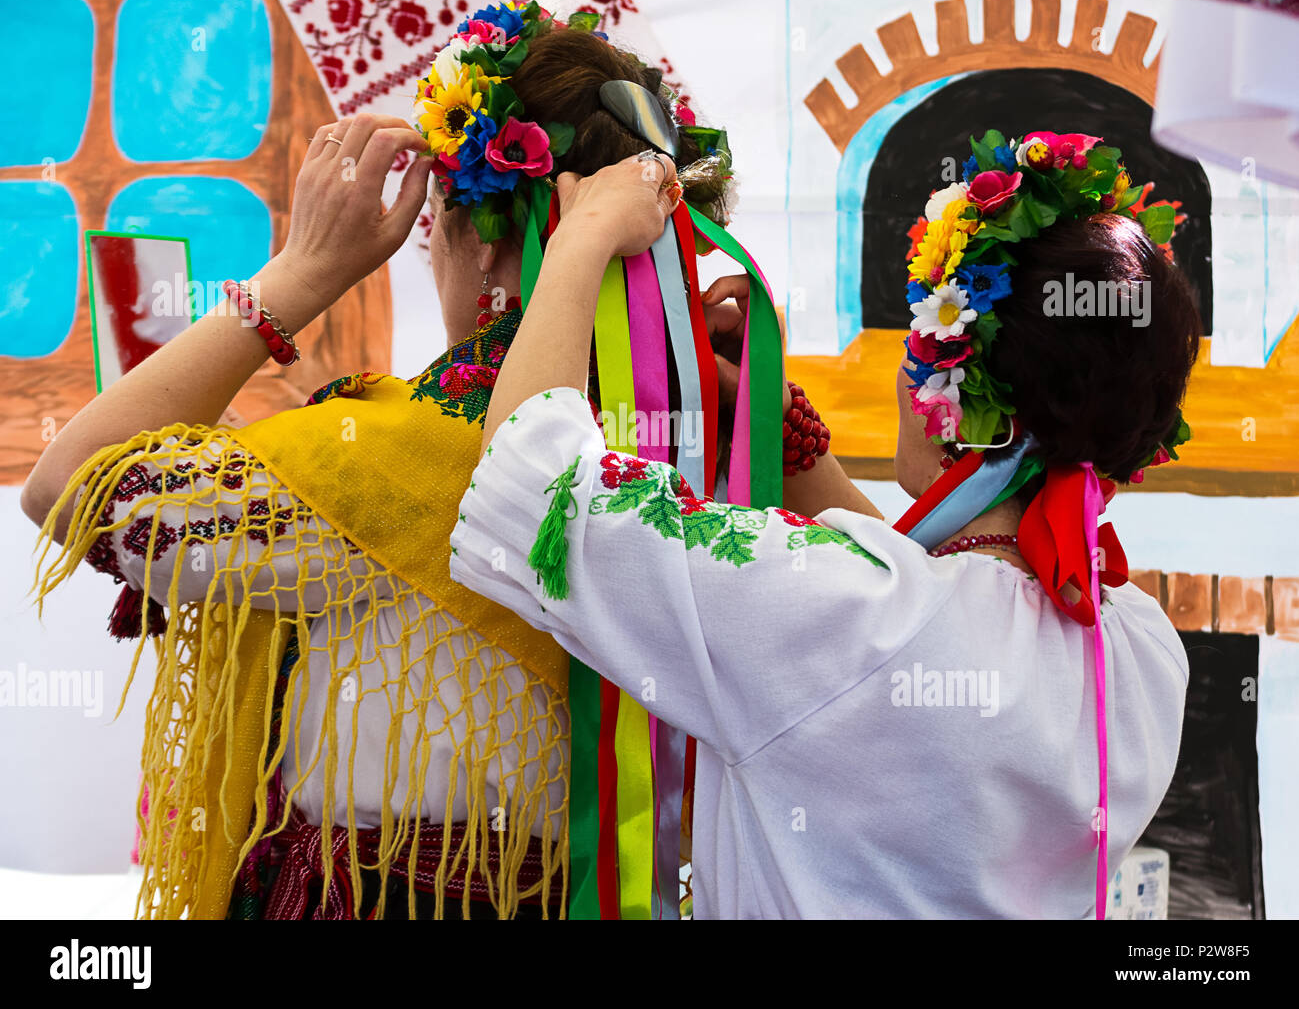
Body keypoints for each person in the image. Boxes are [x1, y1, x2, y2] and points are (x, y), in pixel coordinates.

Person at [24, 0, 730, 919]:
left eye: (438, 219)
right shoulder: (717, 439)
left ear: (475, 240)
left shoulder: (389, 462)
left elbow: (69, 487)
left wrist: (302, 273)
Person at [450, 129, 1199, 918]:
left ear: (967, 408)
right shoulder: (1140, 652)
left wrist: (587, 234)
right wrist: (779, 427)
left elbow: (535, 484)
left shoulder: (851, 618)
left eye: (921, 341)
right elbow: (921, 610)